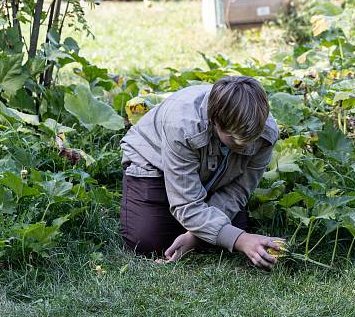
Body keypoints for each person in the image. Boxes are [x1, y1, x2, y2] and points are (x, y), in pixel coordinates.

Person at [119, 76, 284, 269]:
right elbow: (186, 203)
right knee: (148, 241)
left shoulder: (265, 132)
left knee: (234, 227)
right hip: (153, 162)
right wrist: (240, 240)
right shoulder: (182, 125)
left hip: (212, 174)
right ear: (215, 122)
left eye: (250, 139)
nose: (245, 146)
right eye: (234, 138)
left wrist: (194, 237)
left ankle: (197, 229)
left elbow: (238, 190)